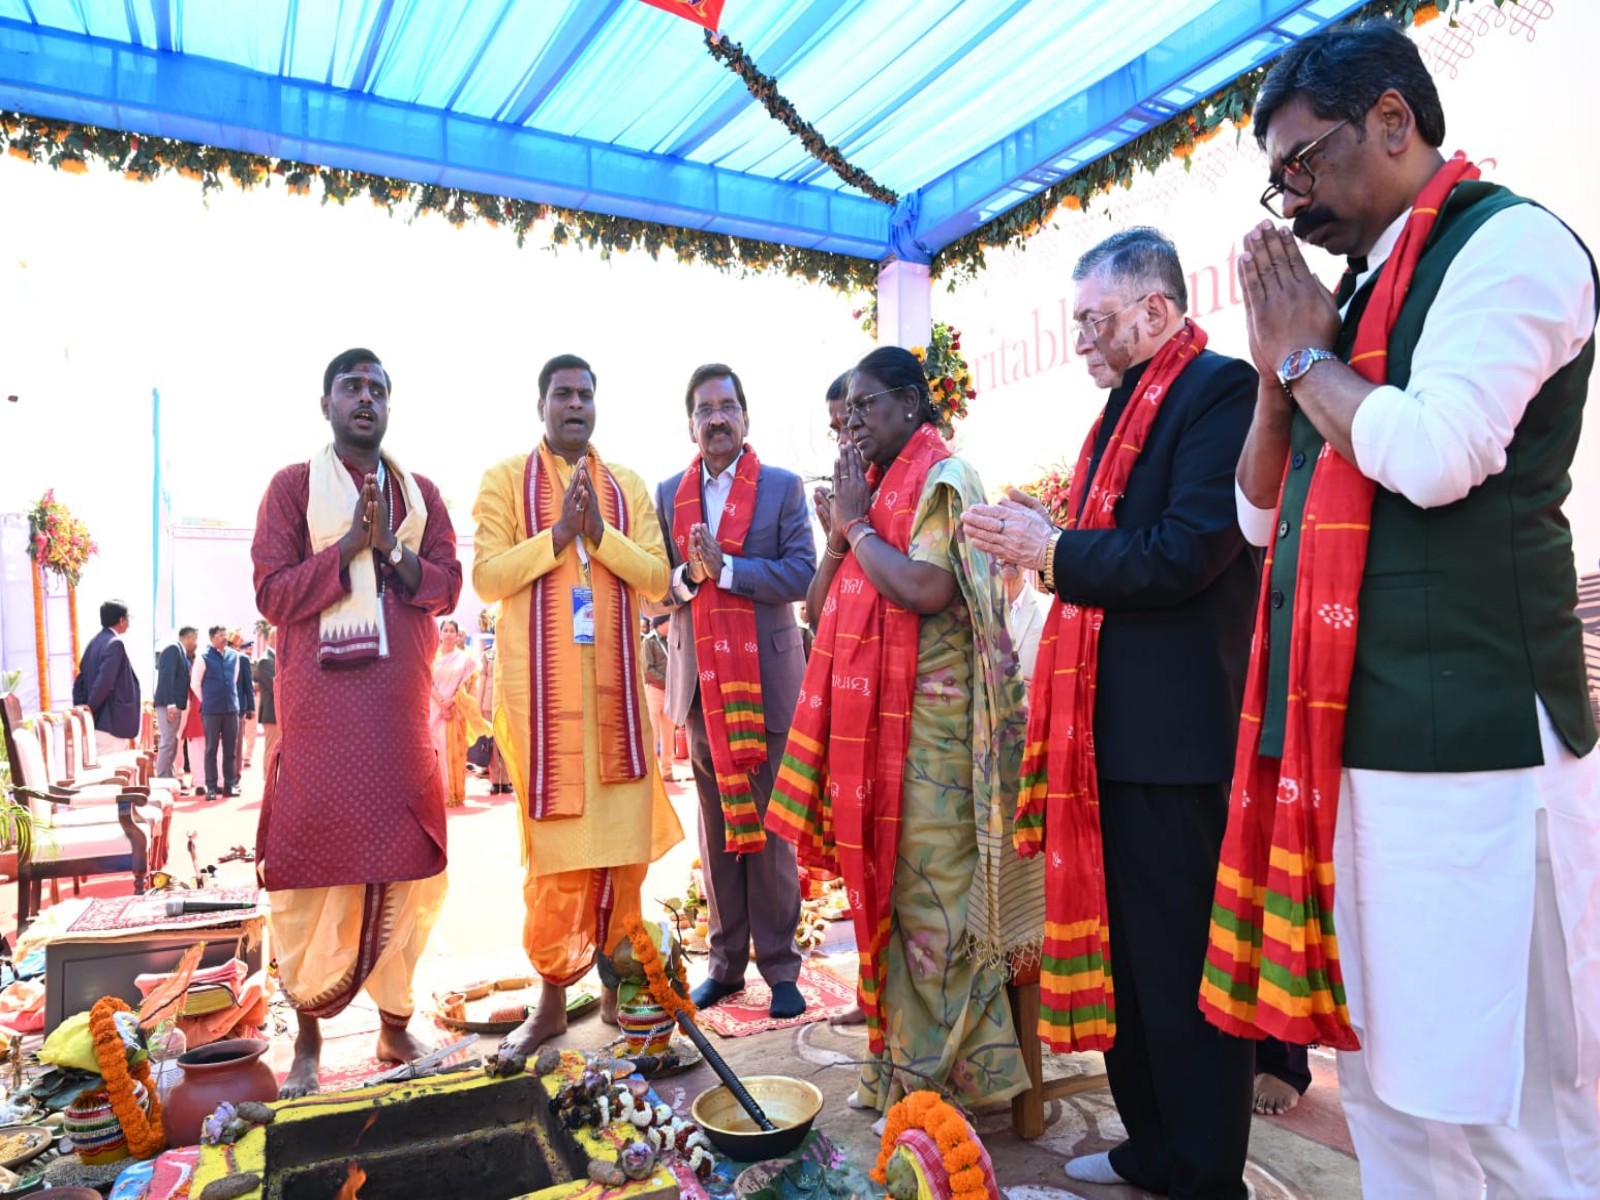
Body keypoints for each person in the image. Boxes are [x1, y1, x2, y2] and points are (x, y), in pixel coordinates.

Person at [1201, 22, 1600, 1198]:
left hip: (1475, 757)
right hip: (1351, 754)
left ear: (1390, 120)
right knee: (1387, 1088)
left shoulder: (1509, 245)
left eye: (1302, 161)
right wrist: (1279, 372)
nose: (1290, 200)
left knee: (1513, 1109)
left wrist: (1303, 365)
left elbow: (1434, 455)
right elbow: (1256, 522)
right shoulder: (1355, 297)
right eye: (1276, 178)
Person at [963, 227, 1259, 1199]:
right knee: (1131, 969)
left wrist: (1048, 550)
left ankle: (1204, 1171)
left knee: (1182, 972)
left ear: (1155, 311)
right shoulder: (1120, 414)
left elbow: (1186, 552)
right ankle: (1150, 1146)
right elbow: (1107, 554)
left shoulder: (1217, 393)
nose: (1082, 340)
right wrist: (1045, 543)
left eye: (1095, 320)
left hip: (1176, 743)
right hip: (1103, 743)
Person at [767, 345, 1039, 1115]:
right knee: (886, 901)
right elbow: (819, 607)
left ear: (912, 404)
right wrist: (841, 532)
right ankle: (896, 1069)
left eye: (866, 406)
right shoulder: (876, 494)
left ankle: (934, 1078)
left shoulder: (947, 479)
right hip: (880, 740)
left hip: (937, 742)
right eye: (844, 412)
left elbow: (925, 587)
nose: (851, 423)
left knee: (933, 911)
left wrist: (856, 525)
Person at [252, 347, 462, 1097]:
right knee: (310, 875)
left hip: (398, 717)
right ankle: (308, 1039)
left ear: (388, 406)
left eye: (377, 388)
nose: (365, 397)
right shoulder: (291, 489)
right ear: (327, 405)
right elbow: (272, 595)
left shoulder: (420, 497)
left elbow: (447, 587)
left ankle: (394, 1024)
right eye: (351, 386)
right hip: (321, 722)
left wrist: (391, 549)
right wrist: (346, 548)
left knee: (411, 870)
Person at [472, 353, 682, 1058]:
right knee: (556, 865)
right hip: (543, 711)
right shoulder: (505, 480)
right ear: (541, 406)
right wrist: (558, 535)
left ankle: (621, 989)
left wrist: (598, 535)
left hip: (616, 709)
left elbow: (656, 578)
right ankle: (553, 1001)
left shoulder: (625, 486)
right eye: (562, 394)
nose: (575, 405)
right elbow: (486, 577)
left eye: (585, 395)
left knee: (622, 860)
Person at [655, 363, 815, 1021]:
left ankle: (780, 967)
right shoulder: (669, 494)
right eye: (704, 409)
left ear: (745, 417)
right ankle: (724, 966)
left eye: (727, 406)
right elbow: (657, 588)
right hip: (702, 689)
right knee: (716, 831)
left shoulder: (781, 487)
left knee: (772, 831)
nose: (716, 418)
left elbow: (802, 573)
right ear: (690, 423)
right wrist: (692, 577)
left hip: (765, 685)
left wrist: (729, 570)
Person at [72, 600, 142, 754]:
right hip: (109, 724)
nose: (129, 623)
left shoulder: (94, 642)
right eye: (128, 618)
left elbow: (80, 681)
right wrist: (89, 709)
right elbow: (105, 682)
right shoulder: (115, 644)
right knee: (111, 767)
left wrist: (83, 709)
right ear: (121, 621)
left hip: (96, 723)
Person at [429, 618, 484, 807]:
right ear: (440, 634)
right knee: (432, 753)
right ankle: (434, 793)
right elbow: (427, 682)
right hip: (434, 710)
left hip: (454, 711)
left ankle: (451, 793)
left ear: (457, 634)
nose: (448, 634)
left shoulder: (465, 659)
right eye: (445, 630)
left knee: (451, 753)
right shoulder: (431, 657)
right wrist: (441, 704)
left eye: (452, 631)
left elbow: (466, 687)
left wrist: (450, 703)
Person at [189, 625, 240, 799]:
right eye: (220, 635)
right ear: (212, 638)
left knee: (230, 749)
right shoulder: (203, 657)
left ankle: (229, 785)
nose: (224, 638)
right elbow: (195, 683)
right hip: (211, 711)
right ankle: (211, 787)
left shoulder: (234, 656)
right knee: (211, 749)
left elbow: (234, 679)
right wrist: (208, 700)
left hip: (231, 708)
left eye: (225, 634)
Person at [473, 608, 512, 795]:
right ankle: (495, 780)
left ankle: (507, 780)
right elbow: (481, 680)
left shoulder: (514, 653)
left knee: (507, 743)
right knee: (491, 744)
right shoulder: (487, 654)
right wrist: (477, 705)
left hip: (508, 704)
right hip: (489, 703)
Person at [152, 626, 197, 779]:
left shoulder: (181, 652)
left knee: (172, 741)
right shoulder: (173, 650)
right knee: (167, 742)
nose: (196, 643)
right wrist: (171, 704)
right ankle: (161, 777)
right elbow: (166, 678)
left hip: (174, 704)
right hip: (168, 704)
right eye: (195, 639)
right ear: (189, 637)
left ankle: (168, 775)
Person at [999, 563, 1045, 686]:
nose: (1006, 556)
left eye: (1012, 553)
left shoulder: (1048, 608)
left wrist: (1038, 689)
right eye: (1000, 553)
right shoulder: (980, 614)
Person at [640, 615, 672, 781]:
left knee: (668, 733)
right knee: (652, 732)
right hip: (654, 690)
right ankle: (652, 772)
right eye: (670, 621)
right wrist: (667, 682)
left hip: (669, 692)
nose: (672, 624)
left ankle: (667, 770)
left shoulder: (670, 641)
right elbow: (647, 669)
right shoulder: (648, 641)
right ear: (662, 623)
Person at [230, 632, 256, 771]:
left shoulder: (243, 659)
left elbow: (248, 686)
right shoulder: (216, 658)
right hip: (221, 707)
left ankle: (235, 773)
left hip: (238, 707)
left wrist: (250, 708)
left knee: (237, 743)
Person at [254, 627, 278, 770]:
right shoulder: (266, 660)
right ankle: (269, 781)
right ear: (271, 639)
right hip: (272, 713)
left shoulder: (276, 658)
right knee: (272, 750)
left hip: (279, 714)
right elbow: (274, 686)